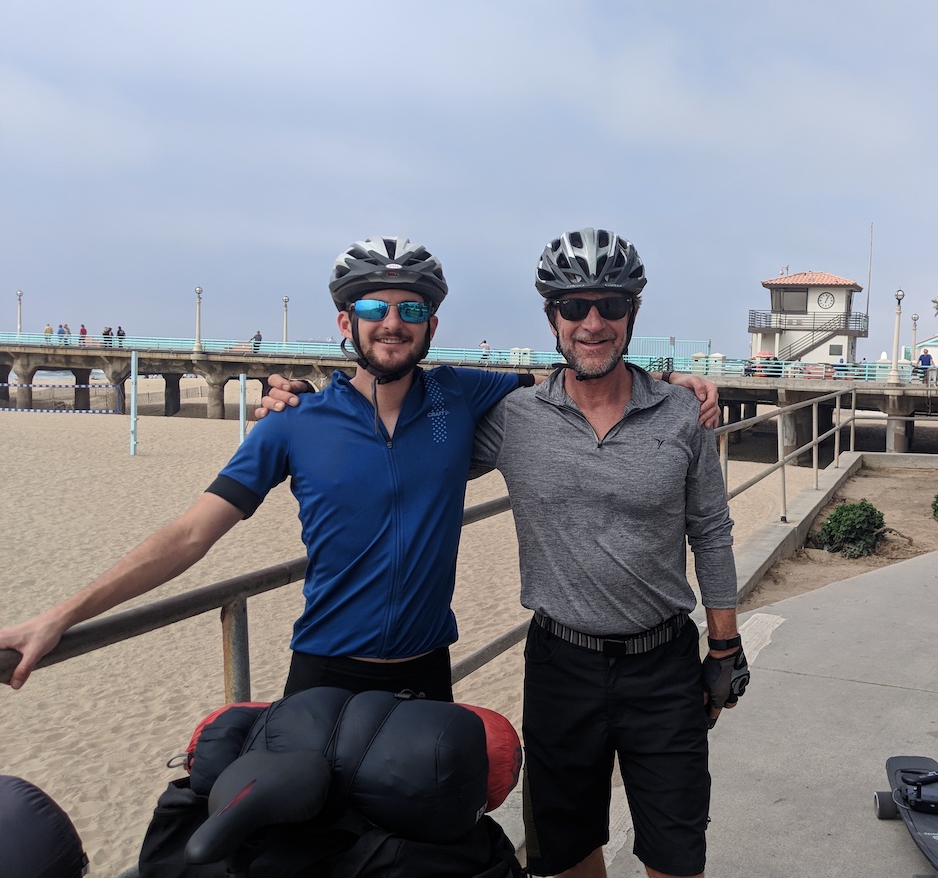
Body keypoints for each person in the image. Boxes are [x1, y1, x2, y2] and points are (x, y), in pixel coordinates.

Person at [2, 237, 717, 703]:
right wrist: (62, 615)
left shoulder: (462, 396)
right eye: (373, 306)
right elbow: (191, 535)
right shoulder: (294, 422)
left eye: (412, 308)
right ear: (345, 323)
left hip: (427, 673)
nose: (393, 320)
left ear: (432, 327)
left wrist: (674, 382)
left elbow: (584, 373)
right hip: (323, 674)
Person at [470, 229, 747, 878]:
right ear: (551, 319)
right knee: (565, 856)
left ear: (633, 313)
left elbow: (710, 531)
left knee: (676, 857)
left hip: (665, 668)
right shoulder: (515, 419)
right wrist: (304, 399)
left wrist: (725, 650)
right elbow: (417, 437)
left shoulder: (681, 414)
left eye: (611, 305)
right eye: (574, 307)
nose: (593, 322)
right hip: (560, 664)